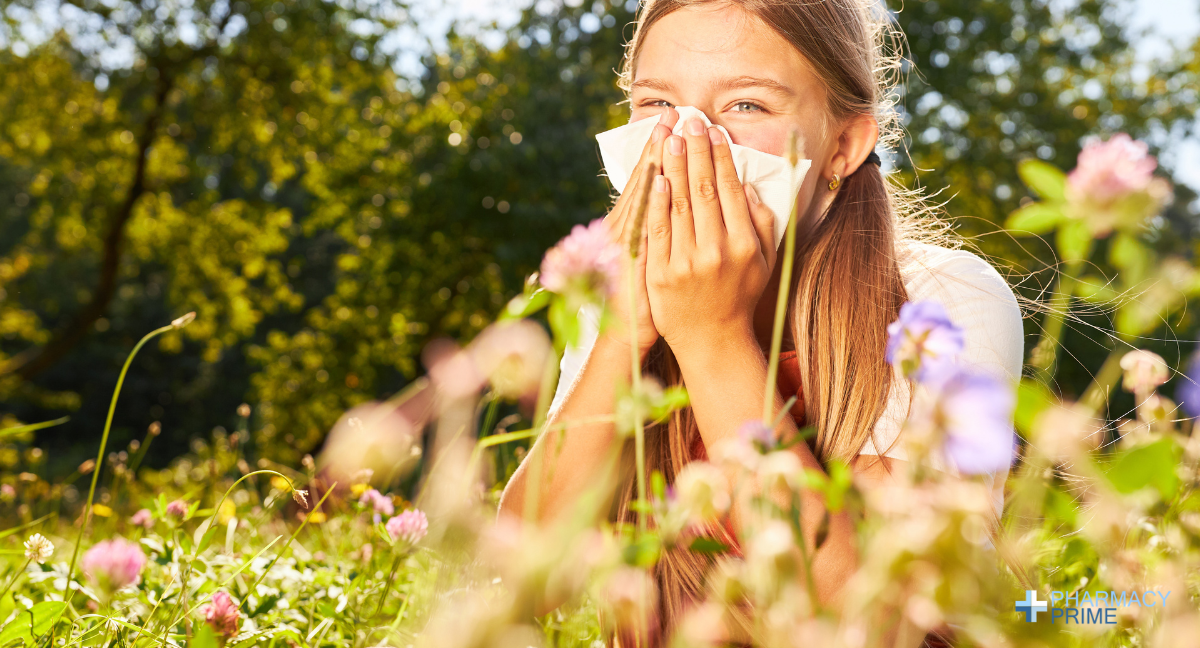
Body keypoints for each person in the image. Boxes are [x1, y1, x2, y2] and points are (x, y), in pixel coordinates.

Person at [498, 0, 1023, 645]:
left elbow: (869, 616)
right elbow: (520, 577)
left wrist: (712, 336)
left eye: (746, 105)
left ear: (844, 144)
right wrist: (621, 335)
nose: (687, 138)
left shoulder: (939, 297)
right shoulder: (619, 292)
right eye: (656, 105)